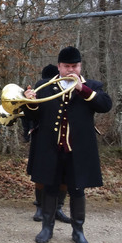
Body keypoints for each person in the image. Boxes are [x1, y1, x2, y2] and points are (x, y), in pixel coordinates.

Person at [23, 46, 112, 243]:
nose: (71, 70)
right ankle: (47, 227)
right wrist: (30, 102)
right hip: (51, 149)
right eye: (67, 66)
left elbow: (105, 105)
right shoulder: (44, 85)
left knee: (77, 190)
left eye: (75, 66)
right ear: (59, 66)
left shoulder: (92, 85)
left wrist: (83, 90)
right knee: (50, 187)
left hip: (78, 150)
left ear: (80, 66)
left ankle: (78, 231)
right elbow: (31, 116)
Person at [29, 64, 72, 224]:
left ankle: (58, 208)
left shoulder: (75, 87)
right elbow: (33, 113)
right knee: (40, 173)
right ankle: (40, 206)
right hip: (44, 136)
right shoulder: (42, 86)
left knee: (64, 177)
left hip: (66, 139)